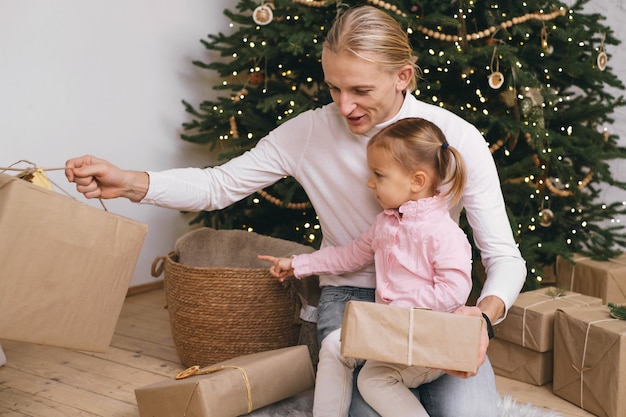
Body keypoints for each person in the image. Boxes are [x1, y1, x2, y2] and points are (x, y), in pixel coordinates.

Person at [64, 5, 526, 417]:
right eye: (333, 87)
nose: (345, 106)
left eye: (361, 89)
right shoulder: (308, 132)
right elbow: (219, 184)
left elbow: (503, 255)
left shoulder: (455, 138)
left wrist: (482, 315)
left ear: (403, 76)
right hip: (350, 298)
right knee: (371, 405)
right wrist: (129, 182)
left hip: (434, 306)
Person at [258, 117, 473, 417]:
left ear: (417, 181)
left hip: (427, 341)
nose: (370, 183)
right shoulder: (385, 223)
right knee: (349, 360)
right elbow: (349, 255)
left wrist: (396, 309)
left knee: (368, 373)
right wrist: (298, 264)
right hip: (392, 333)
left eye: (379, 175)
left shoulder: (444, 233)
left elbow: (454, 292)